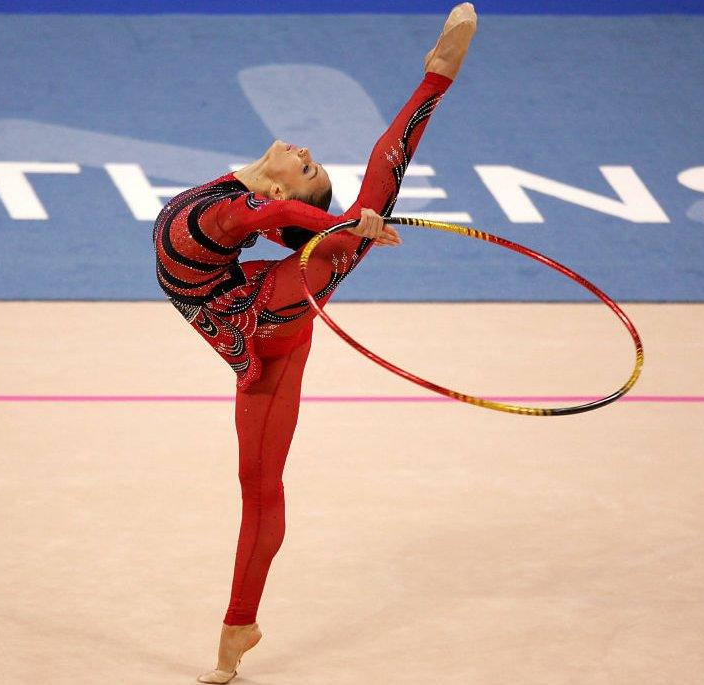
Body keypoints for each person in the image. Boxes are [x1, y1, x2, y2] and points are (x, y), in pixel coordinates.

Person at [152, 5, 478, 682]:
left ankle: (435, 80)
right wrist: (344, 225)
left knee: (355, 225)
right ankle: (239, 626)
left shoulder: (232, 214)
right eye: (309, 166)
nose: (304, 155)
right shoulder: (233, 210)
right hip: (262, 328)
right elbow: (276, 214)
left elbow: (278, 212)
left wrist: (342, 226)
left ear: (277, 182)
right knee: (259, 487)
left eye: (305, 169)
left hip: (272, 314)